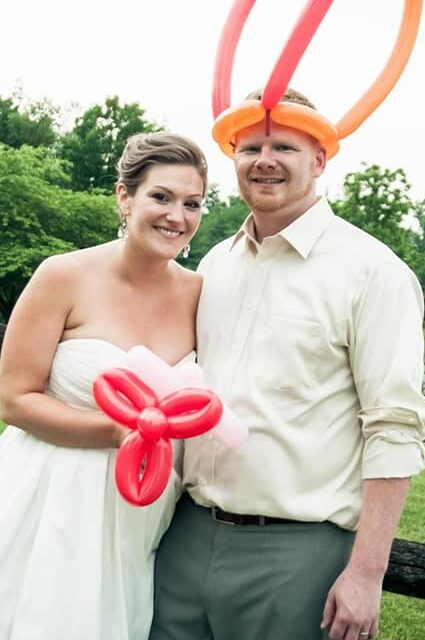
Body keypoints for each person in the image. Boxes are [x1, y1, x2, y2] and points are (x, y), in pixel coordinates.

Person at [149, 89, 425, 640]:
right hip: (186, 535)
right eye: (251, 146)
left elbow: (395, 426)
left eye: (284, 146)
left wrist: (367, 573)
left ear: (320, 159)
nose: (265, 160)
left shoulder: (374, 273)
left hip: (300, 554)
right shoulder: (214, 263)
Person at [0, 131, 208, 640]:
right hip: (52, 496)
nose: (175, 216)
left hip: (142, 509)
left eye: (192, 203)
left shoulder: (201, 293)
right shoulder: (62, 276)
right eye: (160, 196)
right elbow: (13, 398)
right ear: (124, 196)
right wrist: (115, 434)